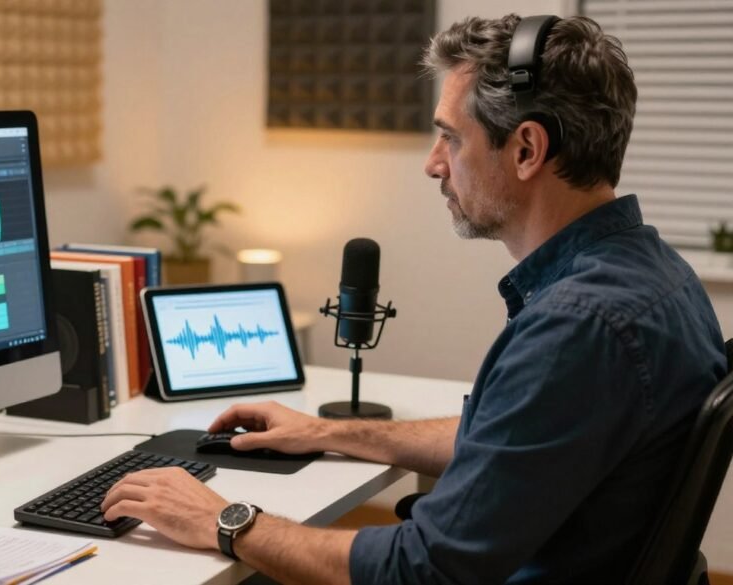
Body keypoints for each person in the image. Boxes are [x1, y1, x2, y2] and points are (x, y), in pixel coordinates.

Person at [101, 14, 728, 584]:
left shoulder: (578, 326)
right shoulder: (656, 276)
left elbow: (424, 571)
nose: (433, 165)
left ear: (527, 149)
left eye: (450, 139)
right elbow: (505, 439)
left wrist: (226, 520)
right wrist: (326, 432)